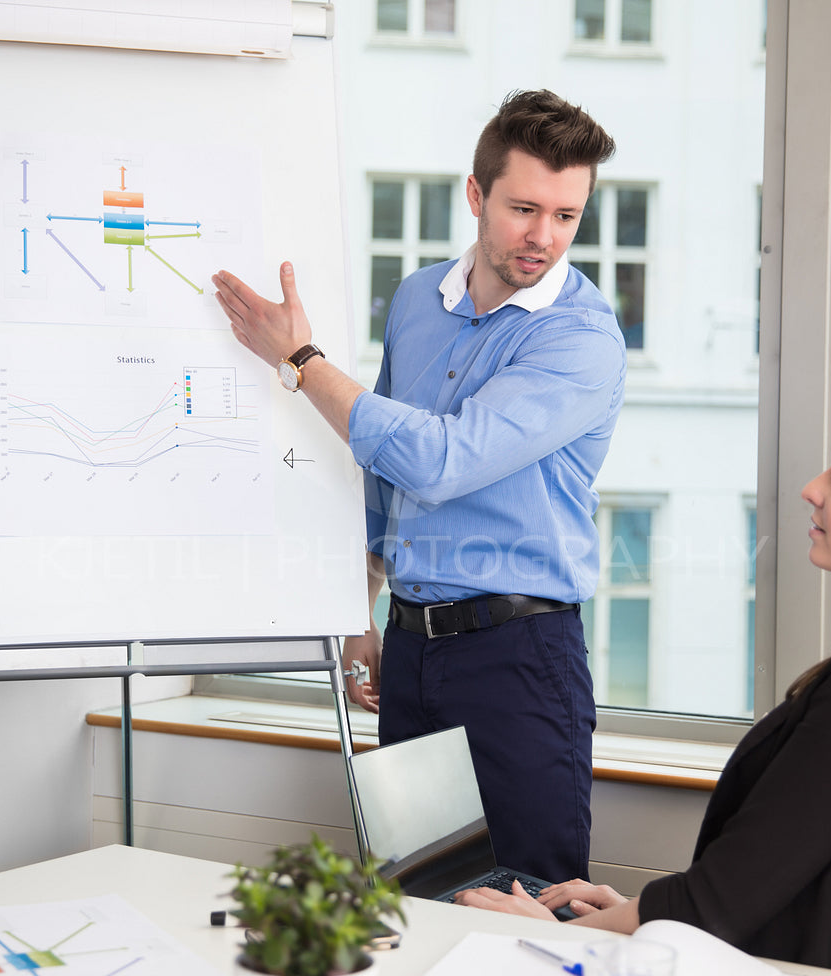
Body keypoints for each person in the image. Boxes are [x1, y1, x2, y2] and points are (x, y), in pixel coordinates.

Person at [457, 388, 831, 969]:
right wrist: (633, 915)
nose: (811, 489)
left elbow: (716, 907)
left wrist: (565, 939)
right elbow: (764, 887)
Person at [212, 90, 623, 882]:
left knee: (530, 911)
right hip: (409, 650)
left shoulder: (581, 338)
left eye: (567, 217)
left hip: (521, 660)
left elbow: (441, 460)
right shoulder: (415, 300)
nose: (544, 237)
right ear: (476, 195)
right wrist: (359, 602)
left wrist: (302, 362)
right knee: (412, 897)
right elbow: (384, 472)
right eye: (525, 208)